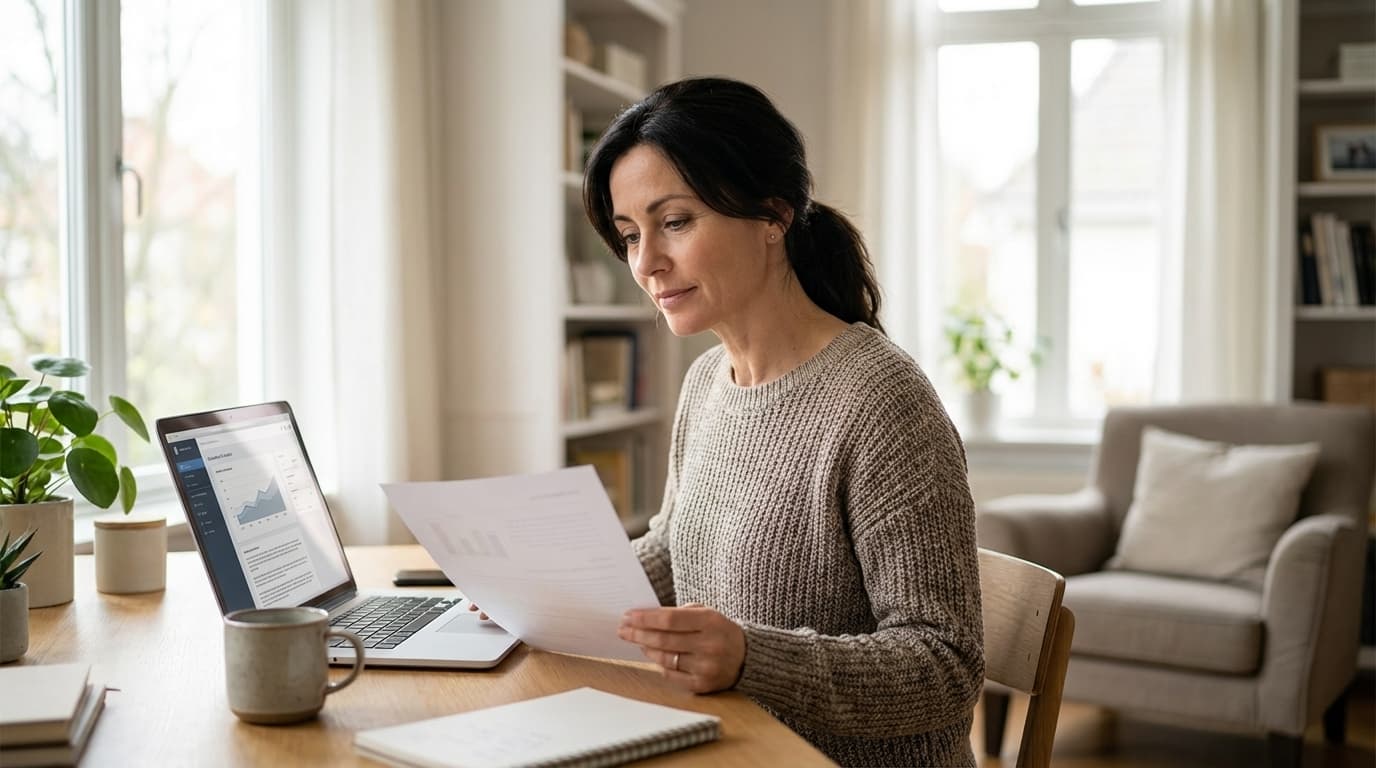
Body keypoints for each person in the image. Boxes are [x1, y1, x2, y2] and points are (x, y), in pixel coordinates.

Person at [582, 77, 984, 767]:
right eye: (629, 235)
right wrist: (543, 590)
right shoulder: (707, 382)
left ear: (772, 216)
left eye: (674, 222)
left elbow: (944, 665)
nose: (646, 263)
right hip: (730, 746)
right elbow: (677, 550)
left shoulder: (882, 401)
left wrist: (749, 656)